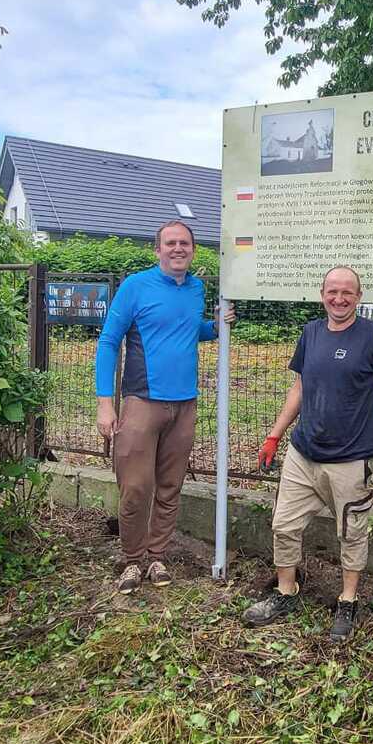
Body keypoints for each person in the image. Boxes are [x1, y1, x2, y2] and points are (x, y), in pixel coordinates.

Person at [245, 266, 373, 642]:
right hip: (303, 453)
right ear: (322, 294)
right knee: (284, 526)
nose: (339, 299)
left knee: (352, 533)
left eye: (347, 293)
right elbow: (300, 388)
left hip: (350, 458)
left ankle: (348, 601)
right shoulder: (311, 333)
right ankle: (285, 592)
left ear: (359, 296)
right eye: (332, 292)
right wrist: (274, 435)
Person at [95, 220, 232, 594]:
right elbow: (108, 342)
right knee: (136, 487)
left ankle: (157, 556)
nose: (178, 249)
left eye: (184, 243)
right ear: (157, 250)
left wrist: (214, 326)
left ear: (193, 250)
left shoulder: (196, 288)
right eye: (170, 243)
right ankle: (132, 559)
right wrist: (105, 404)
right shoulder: (135, 286)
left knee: (170, 486)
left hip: (184, 405)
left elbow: (187, 329)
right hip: (142, 401)